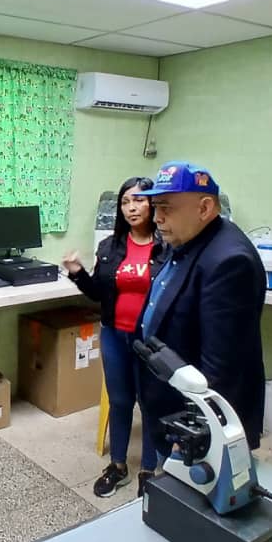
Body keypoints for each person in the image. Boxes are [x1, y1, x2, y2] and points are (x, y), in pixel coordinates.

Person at [134, 161, 267, 461]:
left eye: (166, 208)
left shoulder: (229, 262)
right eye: (155, 207)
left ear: (204, 208)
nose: (156, 218)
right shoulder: (186, 238)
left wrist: (197, 433)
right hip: (167, 399)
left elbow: (222, 368)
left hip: (195, 424)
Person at [63, 177, 167, 498]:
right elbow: (98, 293)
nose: (131, 208)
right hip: (114, 335)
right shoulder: (110, 247)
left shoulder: (168, 247)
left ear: (153, 204)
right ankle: (118, 466)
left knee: (150, 404)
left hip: (151, 341)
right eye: (125, 202)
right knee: (120, 401)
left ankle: (149, 469)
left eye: (139, 200)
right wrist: (77, 272)